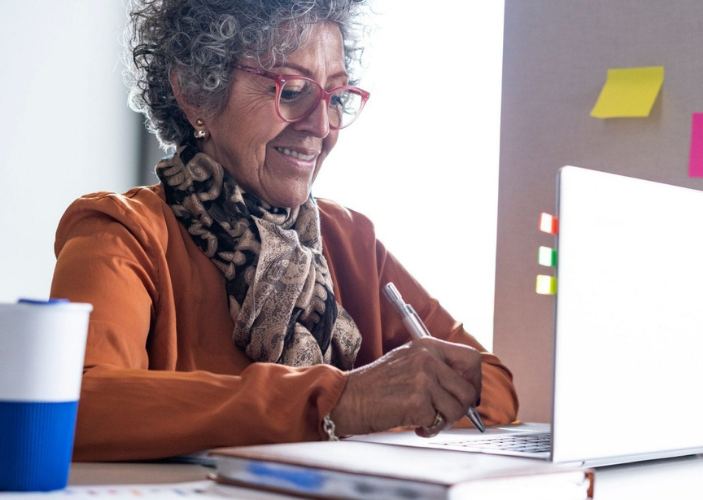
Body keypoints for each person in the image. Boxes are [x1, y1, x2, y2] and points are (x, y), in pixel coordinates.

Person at [50, 0, 518, 462]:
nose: (321, 126)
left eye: (334, 98)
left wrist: (390, 401)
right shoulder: (122, 233)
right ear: (195, 93)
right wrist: (343, 403)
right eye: (292, 91)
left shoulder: (350, 240)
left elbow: (491, 385)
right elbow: (74, 405)